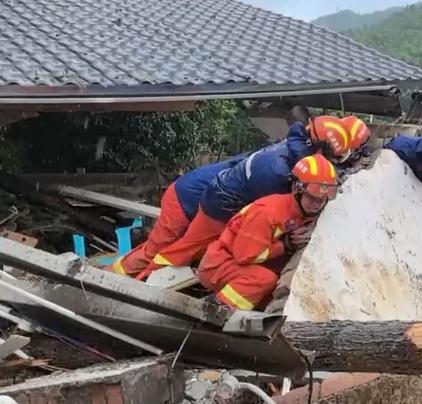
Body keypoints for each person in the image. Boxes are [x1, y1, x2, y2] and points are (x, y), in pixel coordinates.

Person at [139, 116, 350, 279]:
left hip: (226, 192)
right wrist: (285, 243)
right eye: (332, 159)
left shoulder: (295, 148)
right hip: (222, 202)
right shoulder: (278, 172)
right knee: (187, 249)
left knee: (194, 248)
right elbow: (273, 213)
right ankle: (142, 284)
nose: (333, 165)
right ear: (320, 148)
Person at [197, 153, 338, 310]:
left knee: (271, 287)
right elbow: (245, 256)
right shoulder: (267, 213)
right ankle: (218, 307)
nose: (317, 204)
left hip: (241, 267)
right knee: (265, 279)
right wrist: (285, 245)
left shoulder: (304, 212)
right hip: (219, 265)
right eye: (312, 198)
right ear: (296, 190)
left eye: (322, 200)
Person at [109, 154, 245, 277]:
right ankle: (109, 277)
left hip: (193, 200)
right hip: (184, 200)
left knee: (173, 251)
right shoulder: (255, 170)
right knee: (155, 251)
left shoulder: (252, 163)